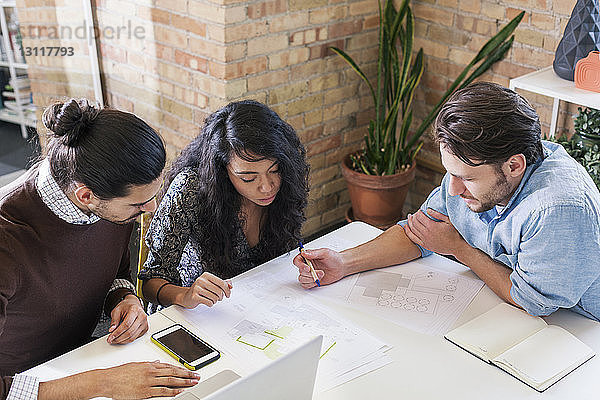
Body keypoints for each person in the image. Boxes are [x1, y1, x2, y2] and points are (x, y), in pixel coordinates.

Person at [294, 82, 600, 321]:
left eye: (466, 178)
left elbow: (534, 301)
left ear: (514, 166)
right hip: (509, 311)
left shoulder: (558, 209)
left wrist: (460, 249)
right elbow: (422, 232)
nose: (452, 190)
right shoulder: (473, 168)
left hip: (580, 328)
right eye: (450, 173)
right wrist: (344, 263)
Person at [0, 99, 200, 400]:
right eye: (138, 204)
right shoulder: (7, 241)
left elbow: (116, 269)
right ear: (86, 196)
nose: (151, 208)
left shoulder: (110, 200)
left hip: (88, 355)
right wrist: (101, 384)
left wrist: (125, 298)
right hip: (25, 383)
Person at [139, 100, 309, 313]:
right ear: (222, 170)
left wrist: (302, 267)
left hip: (256, 307)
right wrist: (186, 295)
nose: (267, 187)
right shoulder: (190, 190)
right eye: (248, 177)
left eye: (274, 170)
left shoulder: (286, 184)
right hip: (196, 314)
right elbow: (150, 283)